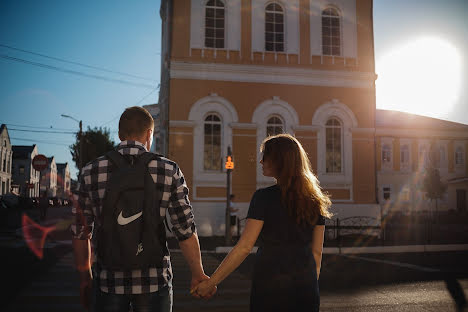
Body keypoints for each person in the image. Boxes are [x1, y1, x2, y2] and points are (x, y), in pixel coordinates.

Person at [71, 106, 215, 312]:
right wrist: (198, 273)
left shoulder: (90, 172)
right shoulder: (168, 170)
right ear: (149, 133)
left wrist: (86, 279)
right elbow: (184, 229)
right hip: (154, 280)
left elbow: (80, 234)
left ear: (120, 134)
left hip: (108, 281)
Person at [191, 133, 332, 311]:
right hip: (306, 287)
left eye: (265, 156)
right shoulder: (315, 200)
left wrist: (211, 282)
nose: (261, 161)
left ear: (278, 161)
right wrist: (311, 284)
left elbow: (244, 247)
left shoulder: (264, 198)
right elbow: (317, 252)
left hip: (270, 286)